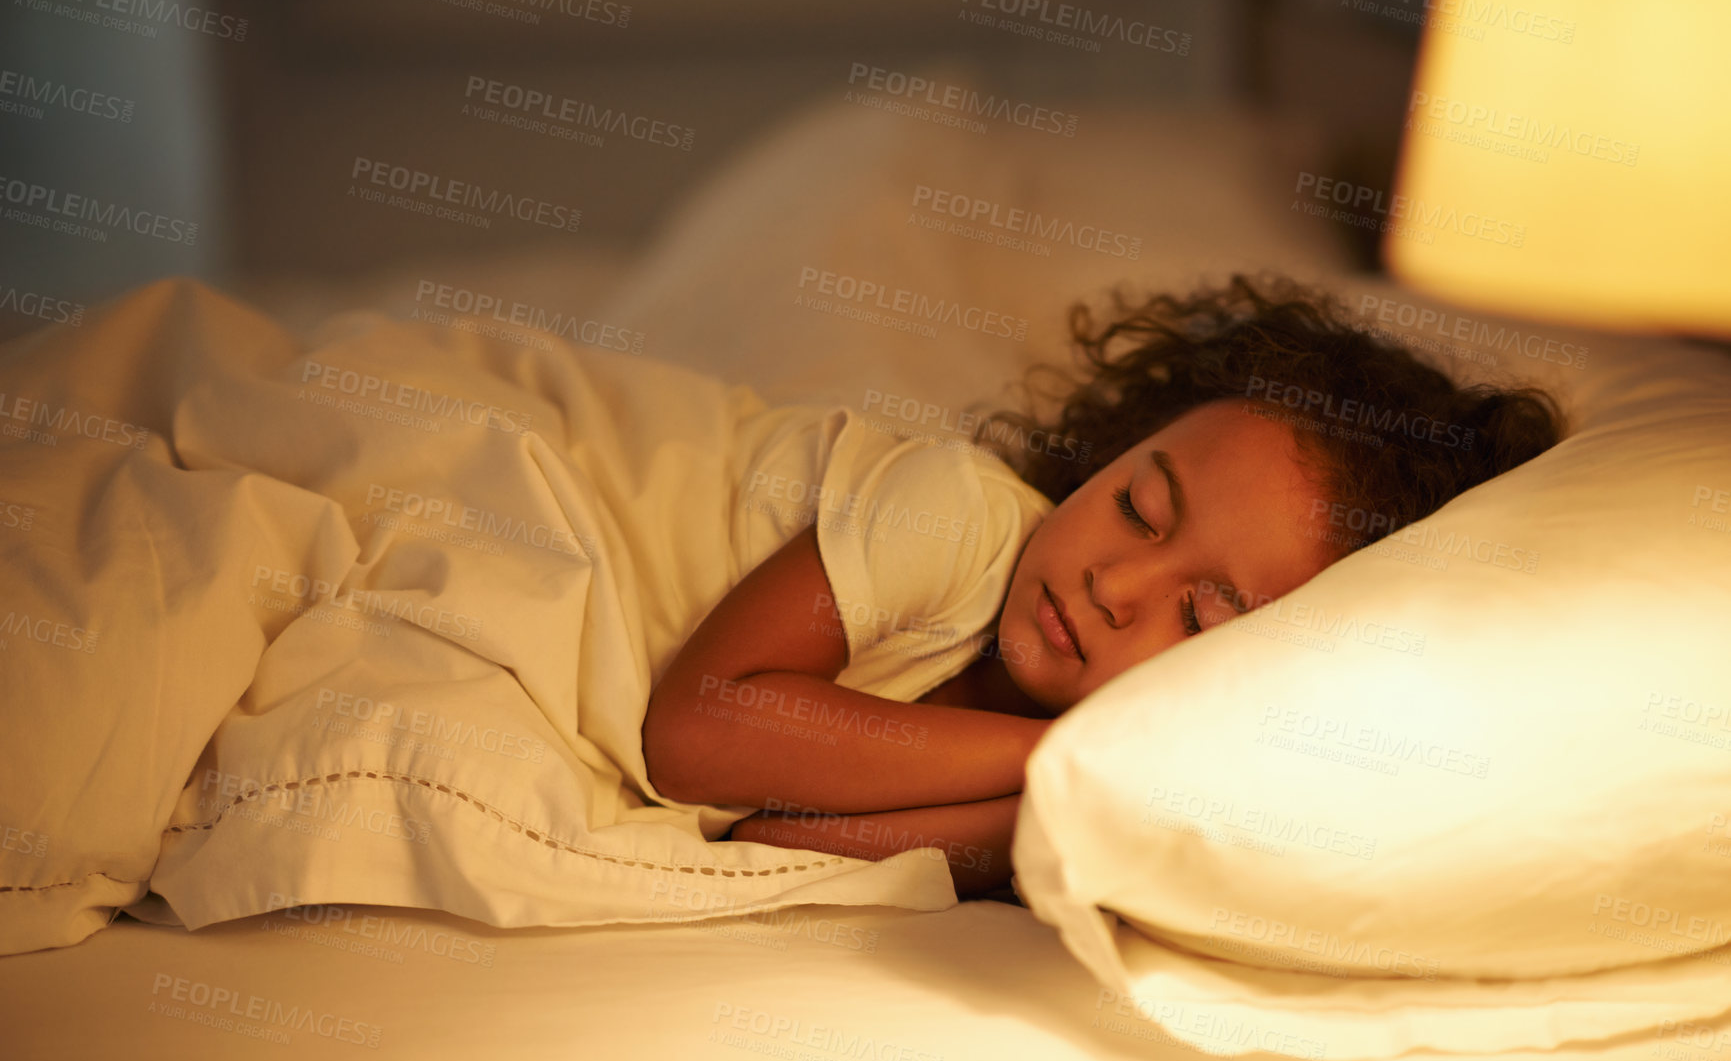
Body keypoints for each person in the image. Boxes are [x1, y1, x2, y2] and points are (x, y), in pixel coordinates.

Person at [642, 274, 1563, 896]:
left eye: (1200, 615)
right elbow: (696, 734)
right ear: (1109, 451)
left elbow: (770, 847)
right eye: (1137, 505)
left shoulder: (1087, 782)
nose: (1116, 582)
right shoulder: (961, 517)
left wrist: (1039, 808)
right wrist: (1054, 755)